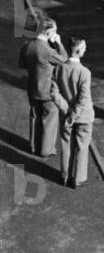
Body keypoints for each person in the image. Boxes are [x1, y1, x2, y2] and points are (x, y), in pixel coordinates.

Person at [18, 18, 69, 157]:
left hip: (32, 88)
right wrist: (58, 42)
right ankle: (46, 150)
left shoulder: (27, 45)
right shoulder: (48, 51)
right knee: (49, 121)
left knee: (35, 116)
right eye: (55, 31)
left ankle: (34, 146)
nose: (56, 33)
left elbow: (22, 65)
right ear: (49, 31)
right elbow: (64, 59)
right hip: (48, 91)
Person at [56, 38, 94, 188]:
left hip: (66, 115)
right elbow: (83, 98)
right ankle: (77, 179)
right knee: (82, 146)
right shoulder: (84, 72)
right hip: (83, 117)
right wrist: (75, 114)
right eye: (84, 48)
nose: (85, 50)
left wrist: (67, 110)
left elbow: (54, 92)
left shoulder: (58, 68)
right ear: (78, 51)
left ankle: (64, 176)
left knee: (66, 144)